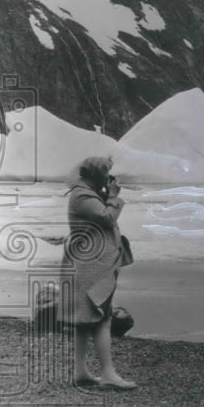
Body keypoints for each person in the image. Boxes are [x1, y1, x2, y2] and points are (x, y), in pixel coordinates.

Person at [62, 156, 136, 389]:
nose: (109, 179)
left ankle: (81, 371)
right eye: (106, 175)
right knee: (102, 319)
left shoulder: (85, 193)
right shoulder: (83, 196)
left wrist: (106, 194)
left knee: (85, 320)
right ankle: (108, 374)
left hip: (90, 263)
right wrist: (113, 197)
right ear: (96, 175)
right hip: (92, 265)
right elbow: (106, 218)